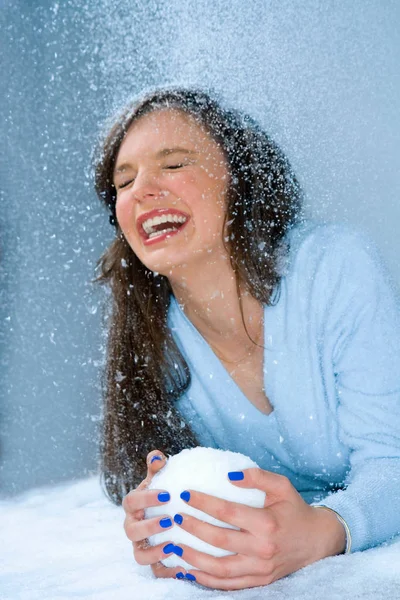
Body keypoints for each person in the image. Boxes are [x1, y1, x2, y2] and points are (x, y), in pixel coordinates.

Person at [92, 87, 400, 590]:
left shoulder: (335, 269)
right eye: (123, 181)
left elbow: (394, 464)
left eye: (173, 165)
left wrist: (325, 531)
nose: (143, 188)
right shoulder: (151, 337)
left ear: (238, 178)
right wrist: (161, 514)